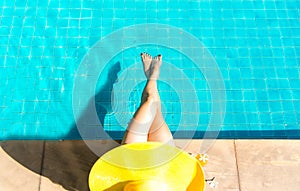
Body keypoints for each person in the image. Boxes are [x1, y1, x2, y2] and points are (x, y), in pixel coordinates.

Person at [122, 52, 174, 146]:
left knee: (150, 100)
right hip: (163, 156)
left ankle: (153, 76)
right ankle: (153, 76)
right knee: (154, 107)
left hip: (132, 155)